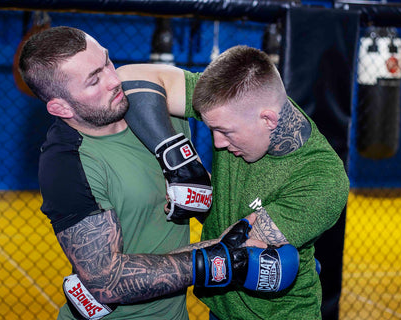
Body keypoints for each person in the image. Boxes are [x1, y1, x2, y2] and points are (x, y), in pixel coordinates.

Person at [18, 27, 299, 320]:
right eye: (94, 81)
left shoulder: (158, 106)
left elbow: (253, 104)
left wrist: (244, 234)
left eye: (107, 62)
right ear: (60, 107)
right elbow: (105, 280)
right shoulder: (66, 165)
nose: (114, 80)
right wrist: (222, 262)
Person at [123, 45, 350, 319]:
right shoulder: (237, 101)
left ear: (268, 119)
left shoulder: (321, 180)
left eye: (225, 132)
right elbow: (128, 78)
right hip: (221, 310)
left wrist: (121, 278)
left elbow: (230, 253)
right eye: (213, 130)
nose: (218, 143)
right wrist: (179, 160)